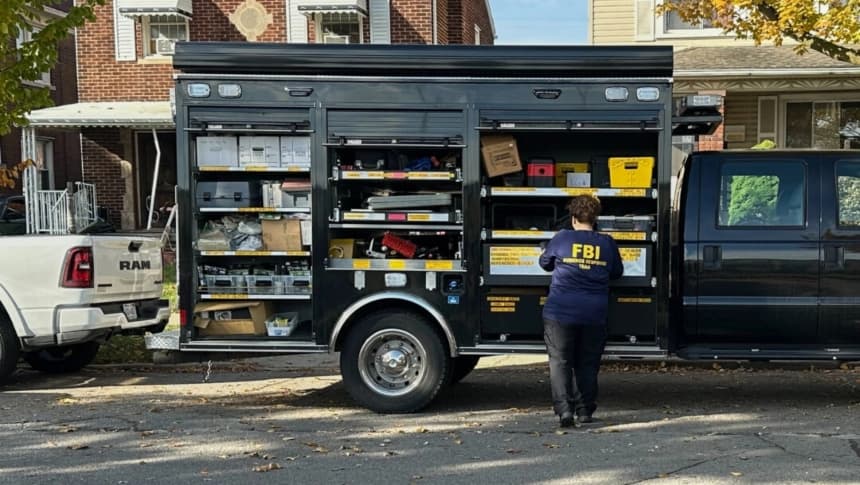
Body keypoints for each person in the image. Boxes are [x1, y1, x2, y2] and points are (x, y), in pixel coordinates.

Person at [539, 195, 623, 428]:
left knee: (560, 361)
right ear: (594, 219)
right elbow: (617, 272)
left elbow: (544, 263)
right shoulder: (607, 242)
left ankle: (565, 412)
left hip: (560, 313)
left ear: (573, 218)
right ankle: (585, 411)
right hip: (593, 314)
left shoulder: (562, 238)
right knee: (587, 363)